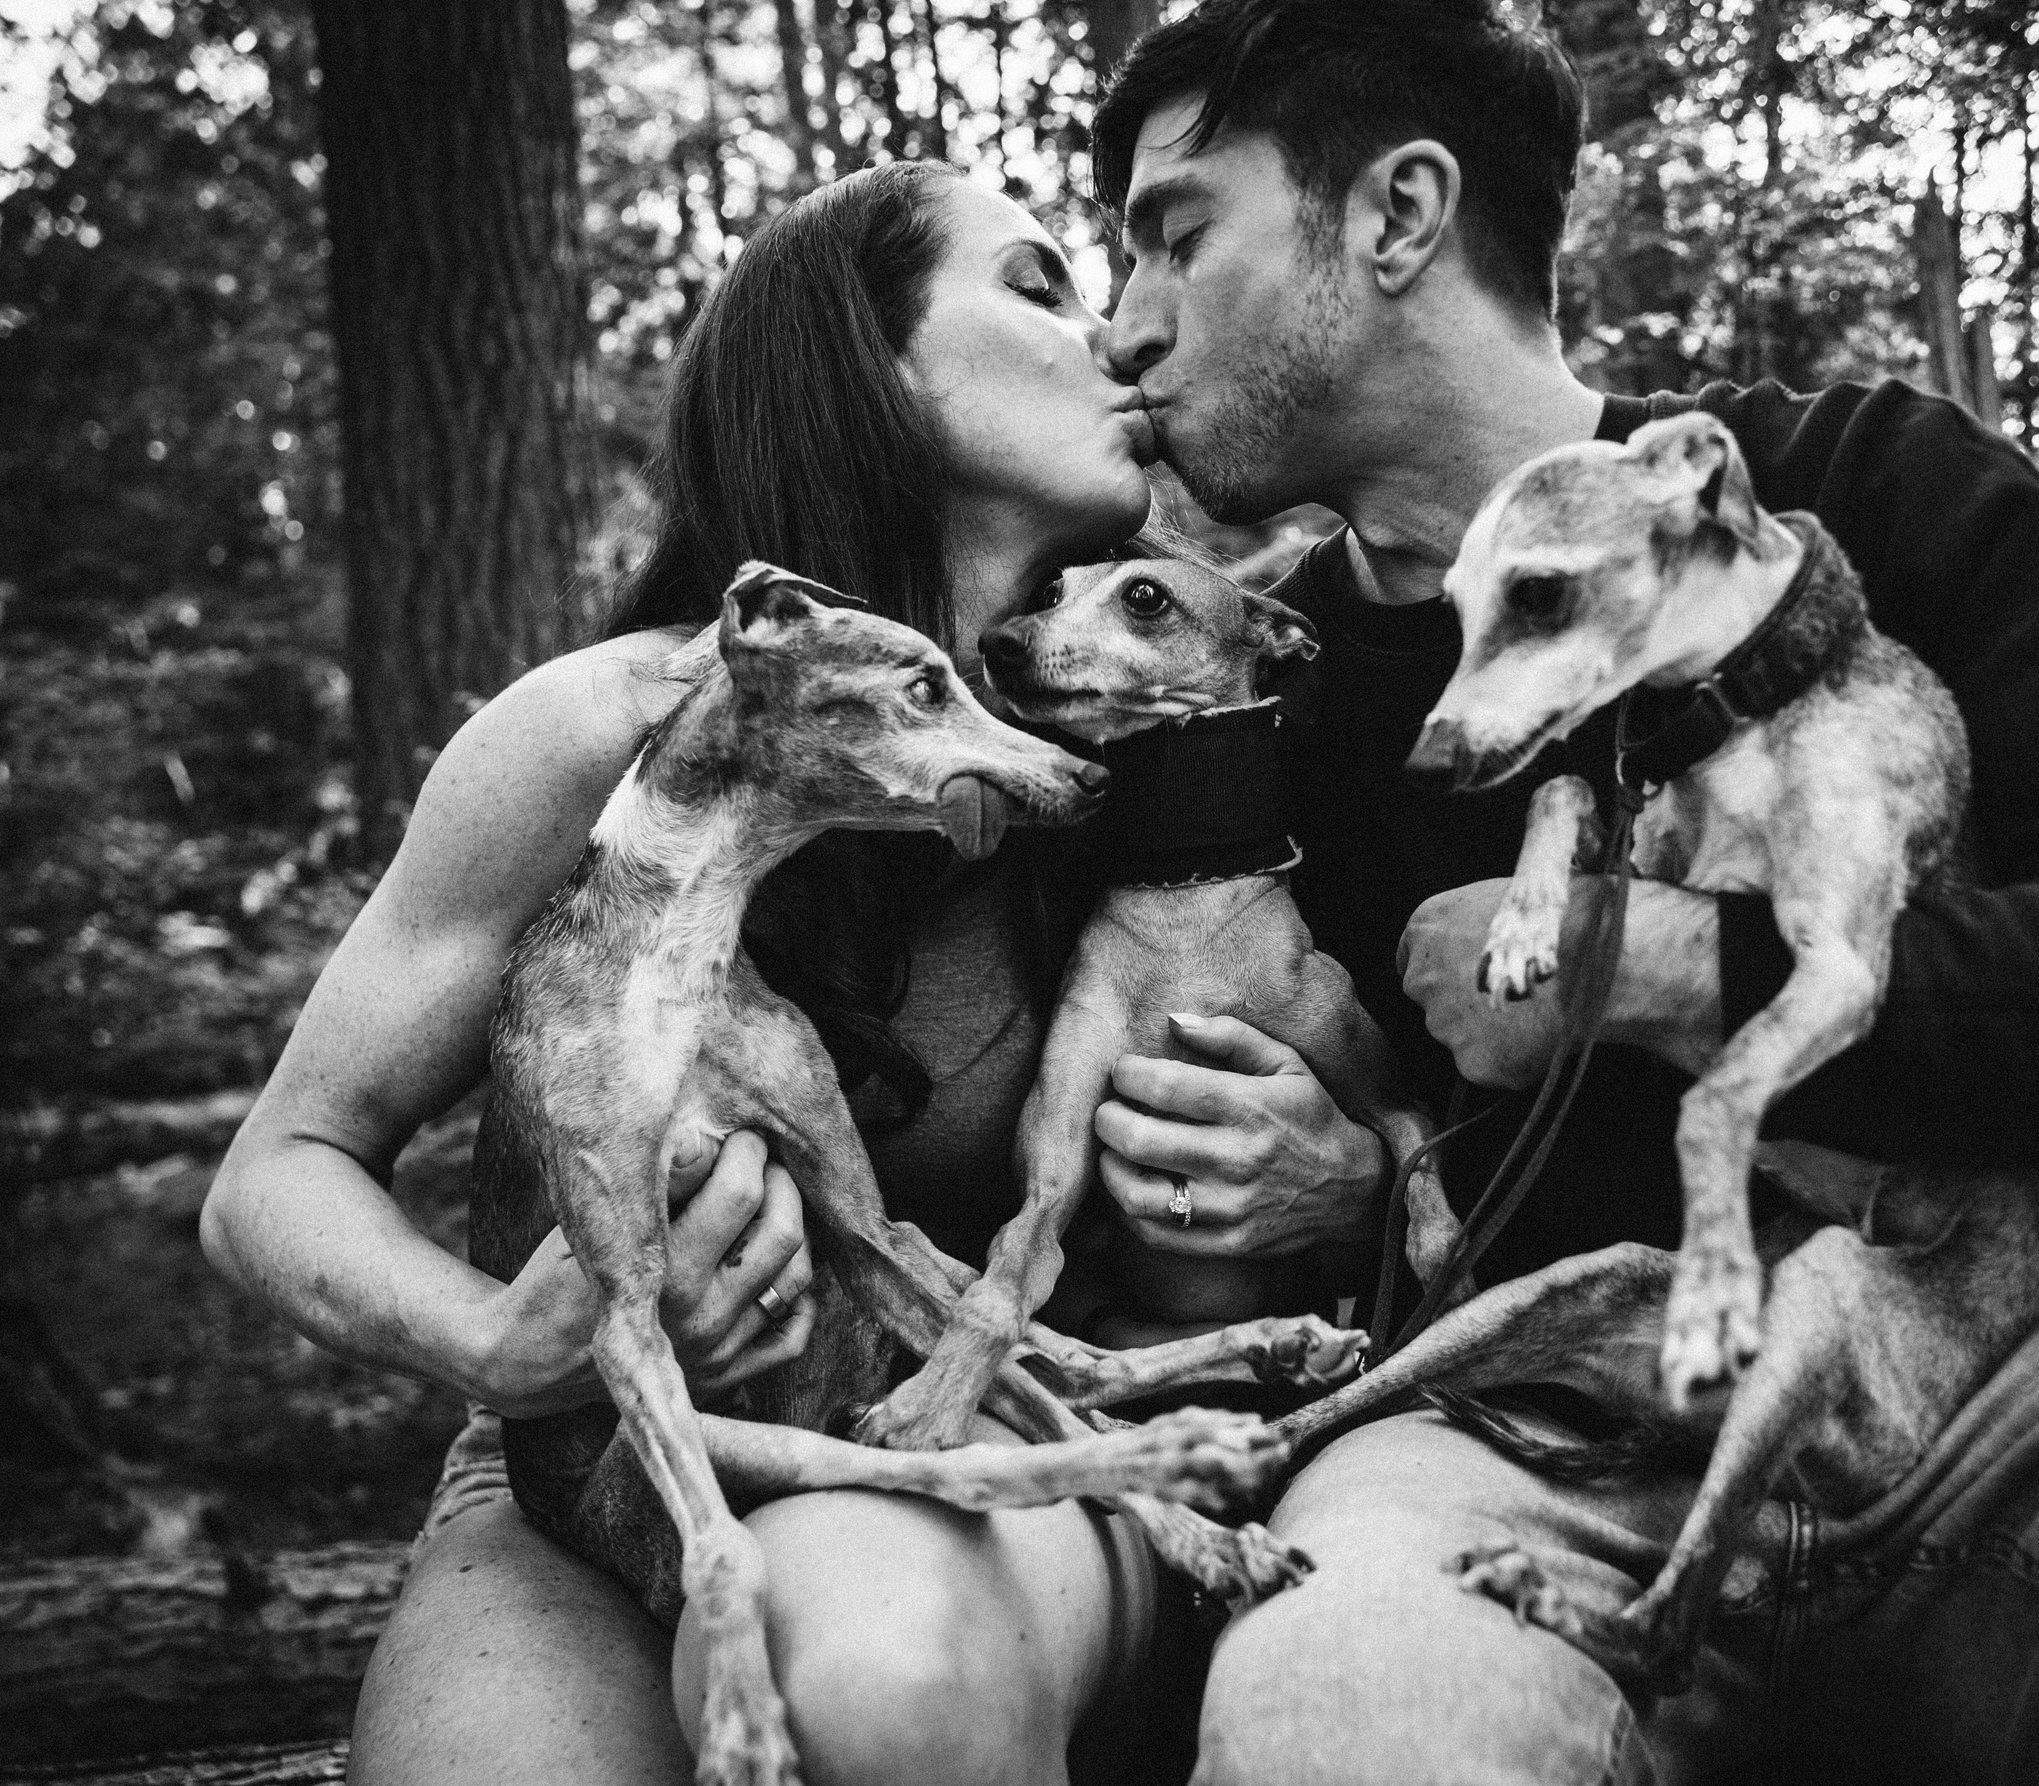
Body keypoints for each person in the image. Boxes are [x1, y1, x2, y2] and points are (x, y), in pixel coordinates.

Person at [1071, 1, 2039, 1781]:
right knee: (1349, 1725)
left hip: (1974, 1386)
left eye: (1175, 235)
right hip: (1507, 1440)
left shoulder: (1869, 491)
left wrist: (1667, 961)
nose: (1124, 326)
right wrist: (1361, 1177)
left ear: (1396, 217)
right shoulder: (1258, 680)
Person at [198, 161, 1384, 1786]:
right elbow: (277, 1172)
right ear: (865, 372)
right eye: (1037, 287)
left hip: (1000, 1419)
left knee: (880, 1683)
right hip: (609, 1461)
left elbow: (1394, 1078)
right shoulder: (609, 736)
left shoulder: (1161, 718)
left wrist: (1346, 1178)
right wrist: (501, 1345)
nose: (1118, 337)